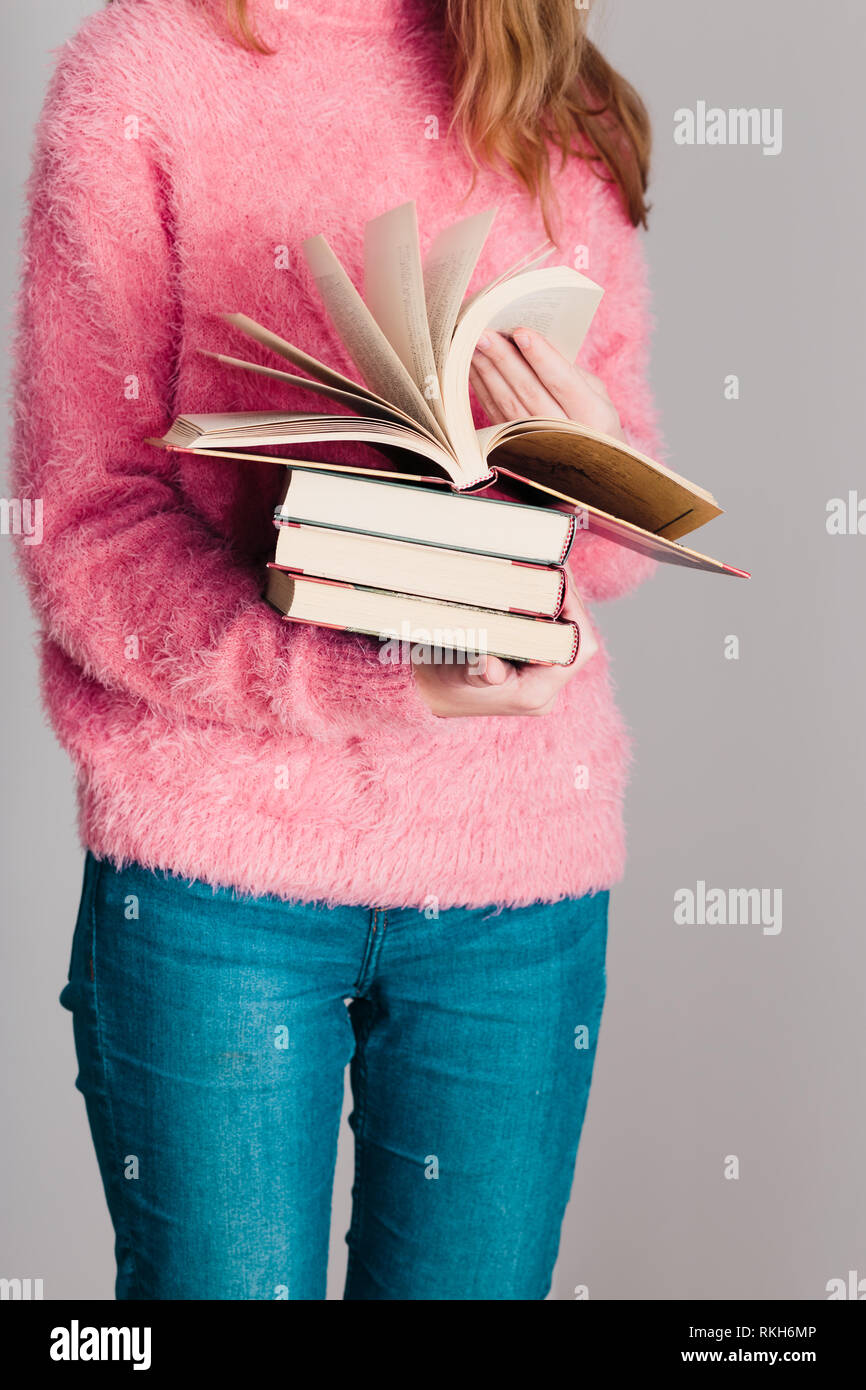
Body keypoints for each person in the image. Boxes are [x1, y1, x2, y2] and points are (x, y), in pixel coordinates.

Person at [13, 0, 661, 1300]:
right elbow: (85, 524)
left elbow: (607, 558)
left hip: (513, 886)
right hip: (215, 885)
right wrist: (352, 675)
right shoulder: (139, 75)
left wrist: (585, 467)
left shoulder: (544, 84)